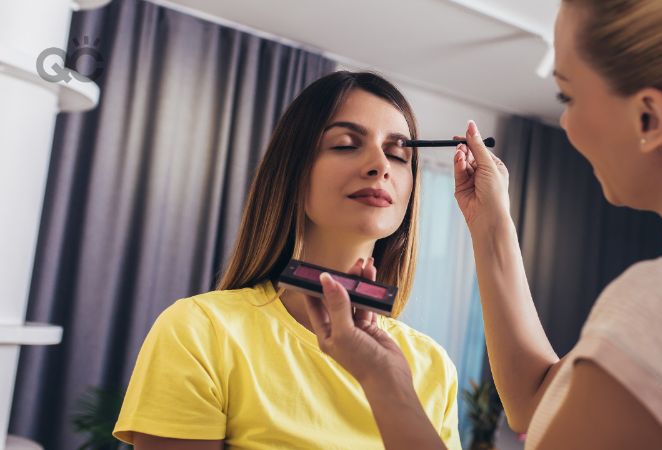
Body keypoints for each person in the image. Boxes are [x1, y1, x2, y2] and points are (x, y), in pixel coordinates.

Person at [304, 1, 662, 449]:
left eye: (567, 95)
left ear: (648, 117)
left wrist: (386, 384)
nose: (570, 125)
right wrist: (491, 224)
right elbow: (539, 403)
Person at [113, 71, 462, 450]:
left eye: (398, 154)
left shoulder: (434, 366)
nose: (380, 166)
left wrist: (388, 386)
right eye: (345, 144)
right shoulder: (201, 331)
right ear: (293, 170)